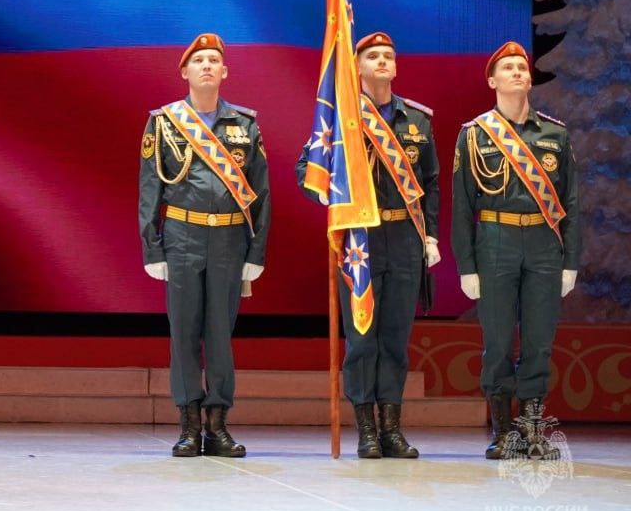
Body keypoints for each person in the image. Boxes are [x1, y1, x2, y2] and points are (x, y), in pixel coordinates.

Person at [295, 32, 439, 459]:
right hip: (360, 238)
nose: (381, 61)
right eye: (372, 55)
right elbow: (307, 168)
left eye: (388, 56)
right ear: (356, 66)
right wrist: (333, 192)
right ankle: (366, 430)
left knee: (395, 338)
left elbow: (430, 183)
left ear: (396, 66)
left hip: (404, 237)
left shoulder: (417, 120)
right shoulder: (342, 116)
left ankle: (391, 429)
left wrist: (430, 235)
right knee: (361, 338)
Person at [138, 33, 270, 458]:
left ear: (225, 71)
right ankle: (189, 425)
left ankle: (217, 425)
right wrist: (152, 247)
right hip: (182, 236)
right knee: (183, 332)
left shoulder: (245, 125)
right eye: (199, 61)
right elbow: (149, 189)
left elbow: (261, 193)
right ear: (185, 72)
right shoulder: (164, 123)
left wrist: (256, 251)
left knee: (219, 334)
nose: (207, 66)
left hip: (229, 238)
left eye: (214, 60)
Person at [452, 41, 580, 461]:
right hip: (495, 241)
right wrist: (466, 266)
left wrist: (570, 262)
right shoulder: (474, 135)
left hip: (544, 244)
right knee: (498, 341)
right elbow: (461, 206)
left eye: (522, 67)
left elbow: (571, 203)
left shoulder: (555, 134)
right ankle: (503, 430)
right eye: (508, 68)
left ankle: (532, 428)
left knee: (540, 342)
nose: (518, 73)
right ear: (492, 80)